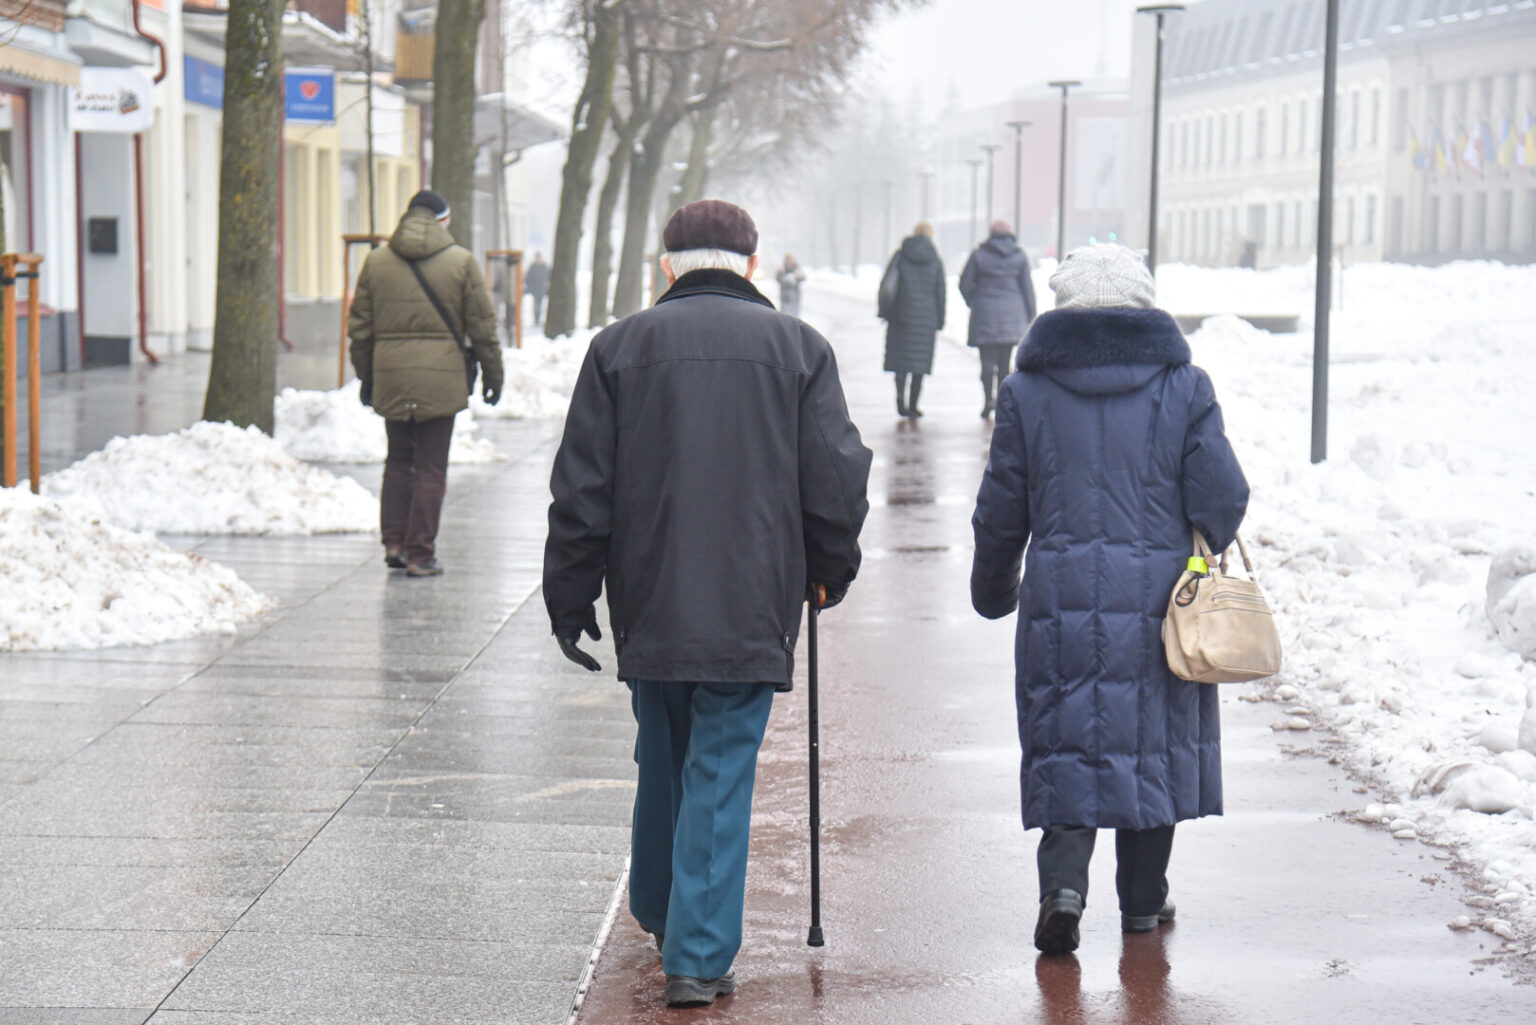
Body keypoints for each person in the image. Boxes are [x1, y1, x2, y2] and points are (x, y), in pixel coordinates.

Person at [543, 199, 871, 1007]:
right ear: (752, 266)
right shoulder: (799, 349)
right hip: (752, 596)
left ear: (666, 265)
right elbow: (835, 479)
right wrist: (832, 566)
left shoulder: (618, 349)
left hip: (650, 593)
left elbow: (582, 486)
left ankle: (659, 906)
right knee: (720, 764)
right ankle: (695, 952)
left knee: (663, 749)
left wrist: (570, 592)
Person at [969, 244, 1248, 957]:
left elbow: (1002, 506)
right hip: (1158, 603)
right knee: (1149, 743)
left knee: (1067, 736)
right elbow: (1222, 497)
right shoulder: (1184, 385)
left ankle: (1063, 889)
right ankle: (1142, 901)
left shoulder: (1026, 391)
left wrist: (993, 587)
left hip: (1058, 599)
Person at [349, 188, 503, 577]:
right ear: (443, 220)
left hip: (392, 376)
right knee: (431, 467)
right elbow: (482, 327)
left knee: (399, 460)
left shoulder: (376, 262)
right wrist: (493, 375)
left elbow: (360, 329)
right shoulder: (462, 262)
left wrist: (367, 377)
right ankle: (421, 553)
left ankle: (395, 543)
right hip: (442, 379)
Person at [959, 220, 1037, 419]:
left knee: (986, 361)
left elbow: (964, 284)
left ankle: (987, 400)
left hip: (984, 313)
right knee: (1004, 363)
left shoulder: (979, 255)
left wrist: (975, 301)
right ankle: (1002, 402)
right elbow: (1027, 288)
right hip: (1012, 314)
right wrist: (1030, 315)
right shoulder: (1019, 257)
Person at [877, 222, 945, 418]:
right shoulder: (935, 260)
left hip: (901, 316)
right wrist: (939, 319)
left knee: (901, 361)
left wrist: (885, 310)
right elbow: (940, 293)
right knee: (919, 363)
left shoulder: (900, 255)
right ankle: (914, 405)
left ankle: (900, 400)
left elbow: (887, 284)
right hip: (926, 318)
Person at [776, 252, 806, 317]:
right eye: (788, 259)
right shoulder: (782, 269)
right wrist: (784, 276)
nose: (790, 261)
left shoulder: (797, 268)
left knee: (795, 313)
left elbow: (803, 278)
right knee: (785, 313)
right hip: (785, 296)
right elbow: (778, 279)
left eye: (791, 259)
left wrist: (797, 277)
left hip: (795, 294)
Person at [525, 251, 550, 328]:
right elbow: (528, 278)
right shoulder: (532, 267)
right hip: (535, 289)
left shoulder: (545, 267)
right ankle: (536, 318)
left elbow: (548, 277)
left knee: (541, 304)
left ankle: (538, 318)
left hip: (542, 289)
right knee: (536, 304)